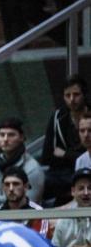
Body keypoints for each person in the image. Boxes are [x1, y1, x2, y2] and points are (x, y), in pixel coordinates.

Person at [0, 117, 44, 211]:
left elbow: (28, 207)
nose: (5, 139)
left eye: (11, 135)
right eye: (2, 135)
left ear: (21, 137)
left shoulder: (33, 168)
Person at [42, 75, 88, 205]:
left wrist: (66, 154)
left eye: (76, 94)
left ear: (84, 95)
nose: (72, 100)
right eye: (67, 95)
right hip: (63, 174)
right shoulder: (58, 117)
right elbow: (47, 156)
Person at [0, 167, 50, 238]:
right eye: (7, 184)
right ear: (3, 187)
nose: (11, 189)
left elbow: (39, 244)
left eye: (16, 184)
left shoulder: (39, 214)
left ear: (26, 186)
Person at [52, 168, 91, 247]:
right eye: (81, 188)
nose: (86, 193)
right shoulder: (64, 220)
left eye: (90, 188)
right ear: (73, 192)